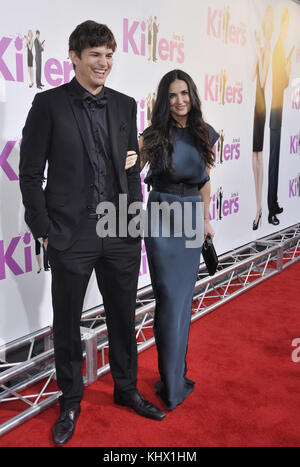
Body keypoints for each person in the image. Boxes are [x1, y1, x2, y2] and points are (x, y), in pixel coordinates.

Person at [19, 20, 165, 447]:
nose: (104, 62)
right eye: (95, 54)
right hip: (70, 233)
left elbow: (131, 166)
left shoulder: (124, 104)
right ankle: (70, 400)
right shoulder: (47, 105)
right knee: (67, 323)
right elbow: (29, 175)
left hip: (120, 228)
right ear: (75, 57)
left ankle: (126, 388)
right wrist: (44, 229)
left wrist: (133, 215)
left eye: (108, 55)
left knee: (123, 314)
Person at [139, 69, 218, 411]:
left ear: (192, 95)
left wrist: (206, 219)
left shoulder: (205, 132)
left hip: (189, 219)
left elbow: (203, 181)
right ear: (164, 99)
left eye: (184, 93)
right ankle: (172, 382)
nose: (179, 100)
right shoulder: (154, 135)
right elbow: (132, 168)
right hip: (160, 215)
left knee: (182, 302)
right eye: (172, 95)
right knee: (168, 298)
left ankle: (174, 374)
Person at [267, 8, 292, 226]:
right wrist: (288, 69)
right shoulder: (277, 50)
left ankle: (273, 205)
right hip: (275, 116)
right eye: (285, 26)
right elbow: (280, 83)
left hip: (279, 114)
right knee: (273, 165)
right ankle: (270, 210)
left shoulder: (280, 50)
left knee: (275, 164)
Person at [251, 6, 273, 230]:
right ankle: (257, 206)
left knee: (258, 156)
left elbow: (264, 79)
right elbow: (251, 75)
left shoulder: (267, 49)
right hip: (253, 104)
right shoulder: (260, 47)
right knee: (253, 158)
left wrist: (260, 50)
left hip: (261, 105)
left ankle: (259, 207)